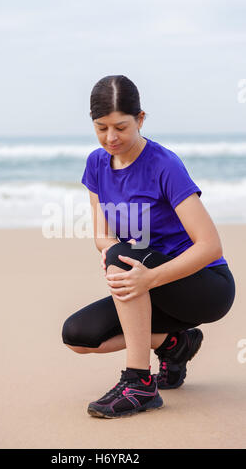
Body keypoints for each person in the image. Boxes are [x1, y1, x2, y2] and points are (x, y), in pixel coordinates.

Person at [61, 75, 236, 419]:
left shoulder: (164, 165)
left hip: (205, 285)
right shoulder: (96, 164)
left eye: (121, 127)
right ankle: (175, 344)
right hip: (150, 285)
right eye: (101, 128)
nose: (111, 137)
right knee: (78, 336)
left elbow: (210, 246)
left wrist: (147, 277)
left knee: (122, 256)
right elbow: (103, 235)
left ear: (140, 119)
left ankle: (139, 384)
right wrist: (116, 258)